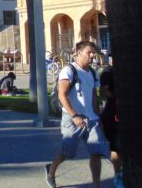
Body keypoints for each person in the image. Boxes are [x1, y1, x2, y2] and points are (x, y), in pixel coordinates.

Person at [45, 41, 109, 188]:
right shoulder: (69, 70)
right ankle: (51, 170)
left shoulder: (93, 73)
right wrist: (74, 116)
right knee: (67, 152)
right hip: (73, 118)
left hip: (91, 118)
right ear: (78, 53)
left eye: (94, 52)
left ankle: (96, 185)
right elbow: (62, 95)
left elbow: (94, 96)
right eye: (89, 52)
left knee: (96, 152)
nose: (92, 55)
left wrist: (98, 117)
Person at [99, 65, 123, 188]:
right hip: (113, 116)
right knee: (116, 149)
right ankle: (118, 175)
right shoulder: (108, 71)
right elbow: (102, 91)